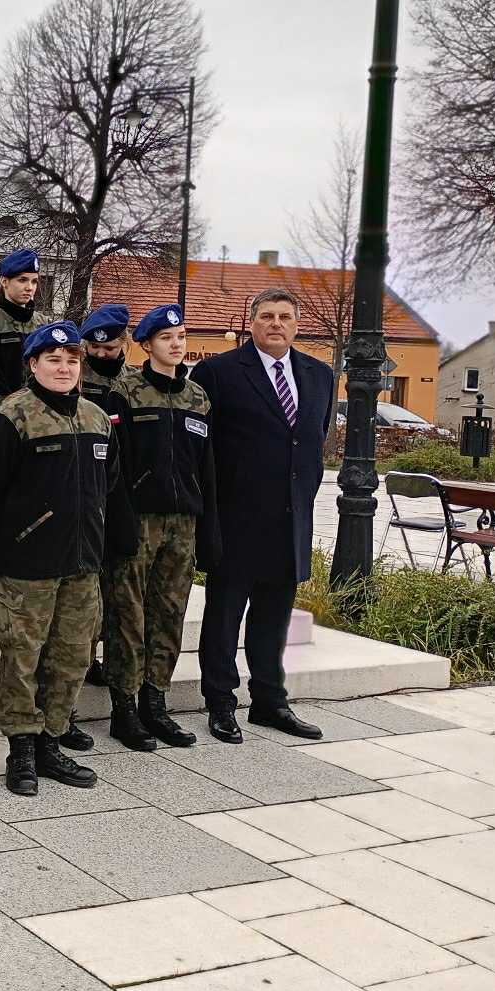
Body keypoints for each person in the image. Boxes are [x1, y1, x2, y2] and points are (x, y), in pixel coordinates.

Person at [0, 321, 125, 797]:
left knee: (72, 658)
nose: (64, 367)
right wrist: (4, 546)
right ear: (33, 365)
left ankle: (50, 743)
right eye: (53, 360)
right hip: (26, 567)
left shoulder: (98, 419)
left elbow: (110, 483)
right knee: (22, 660)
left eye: (72, 360)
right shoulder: (12, 418)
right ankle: (21, 749)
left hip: (82, 564)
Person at [191, 288, 334, 743]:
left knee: (274, 616)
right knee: (224, 615)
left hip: (290, 519)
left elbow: (311, 443)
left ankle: (270, 701)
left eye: (286, 317)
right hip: (235, 518)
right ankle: (221, 703)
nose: (276, 324)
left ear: (297, 325)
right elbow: (204, 449)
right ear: (250, 323)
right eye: (267, 316)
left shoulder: (319, 374)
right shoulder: (218, 372)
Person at [103, 304, 219, 751]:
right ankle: (124, 708)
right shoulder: (125, 393)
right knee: (128, 615)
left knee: (169, 612)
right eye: (167, 338)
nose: (176, 344)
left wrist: (207, 524)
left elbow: (206, 467)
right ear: (146, 344)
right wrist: (122, 520)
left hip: (182, 521)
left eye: (182, 337)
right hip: (139, 518)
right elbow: (116, 464)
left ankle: (156, 700)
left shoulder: (197, 398)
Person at [78, 302, 130, 693]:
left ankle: (109, 659)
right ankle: (85, 657)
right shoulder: (77, 379)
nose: (99, 355)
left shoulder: (133, 382)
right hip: (87, 490)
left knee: (117, 585)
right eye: (93, 350)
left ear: (123, 342)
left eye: (108, 349)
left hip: (126, 490)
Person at [0, 248, 40, 408]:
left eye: (34, 281)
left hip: (39, 412)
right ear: (4, 282)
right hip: (1, 410)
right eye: (22, 280)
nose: (30, 287)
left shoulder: (43, 323)